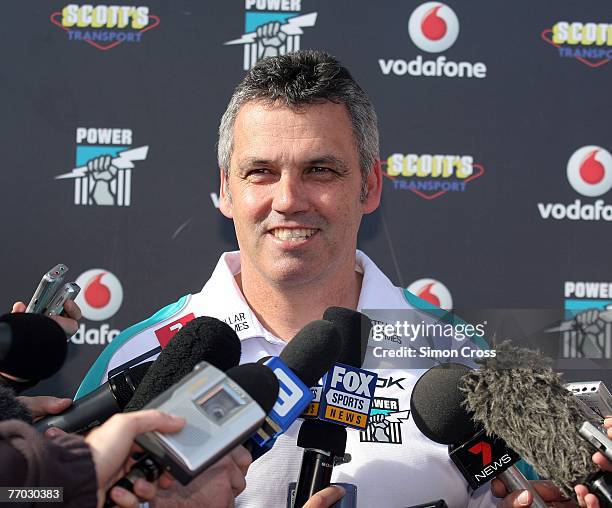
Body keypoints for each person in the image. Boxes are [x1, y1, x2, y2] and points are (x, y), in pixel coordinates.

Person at [75, 50, 570, 507]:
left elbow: (543, 492)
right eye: (261, 172)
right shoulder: (134, 363)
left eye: (320, 170)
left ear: (369, 186)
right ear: (226, 190)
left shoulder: (466, 362)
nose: (289, 200)